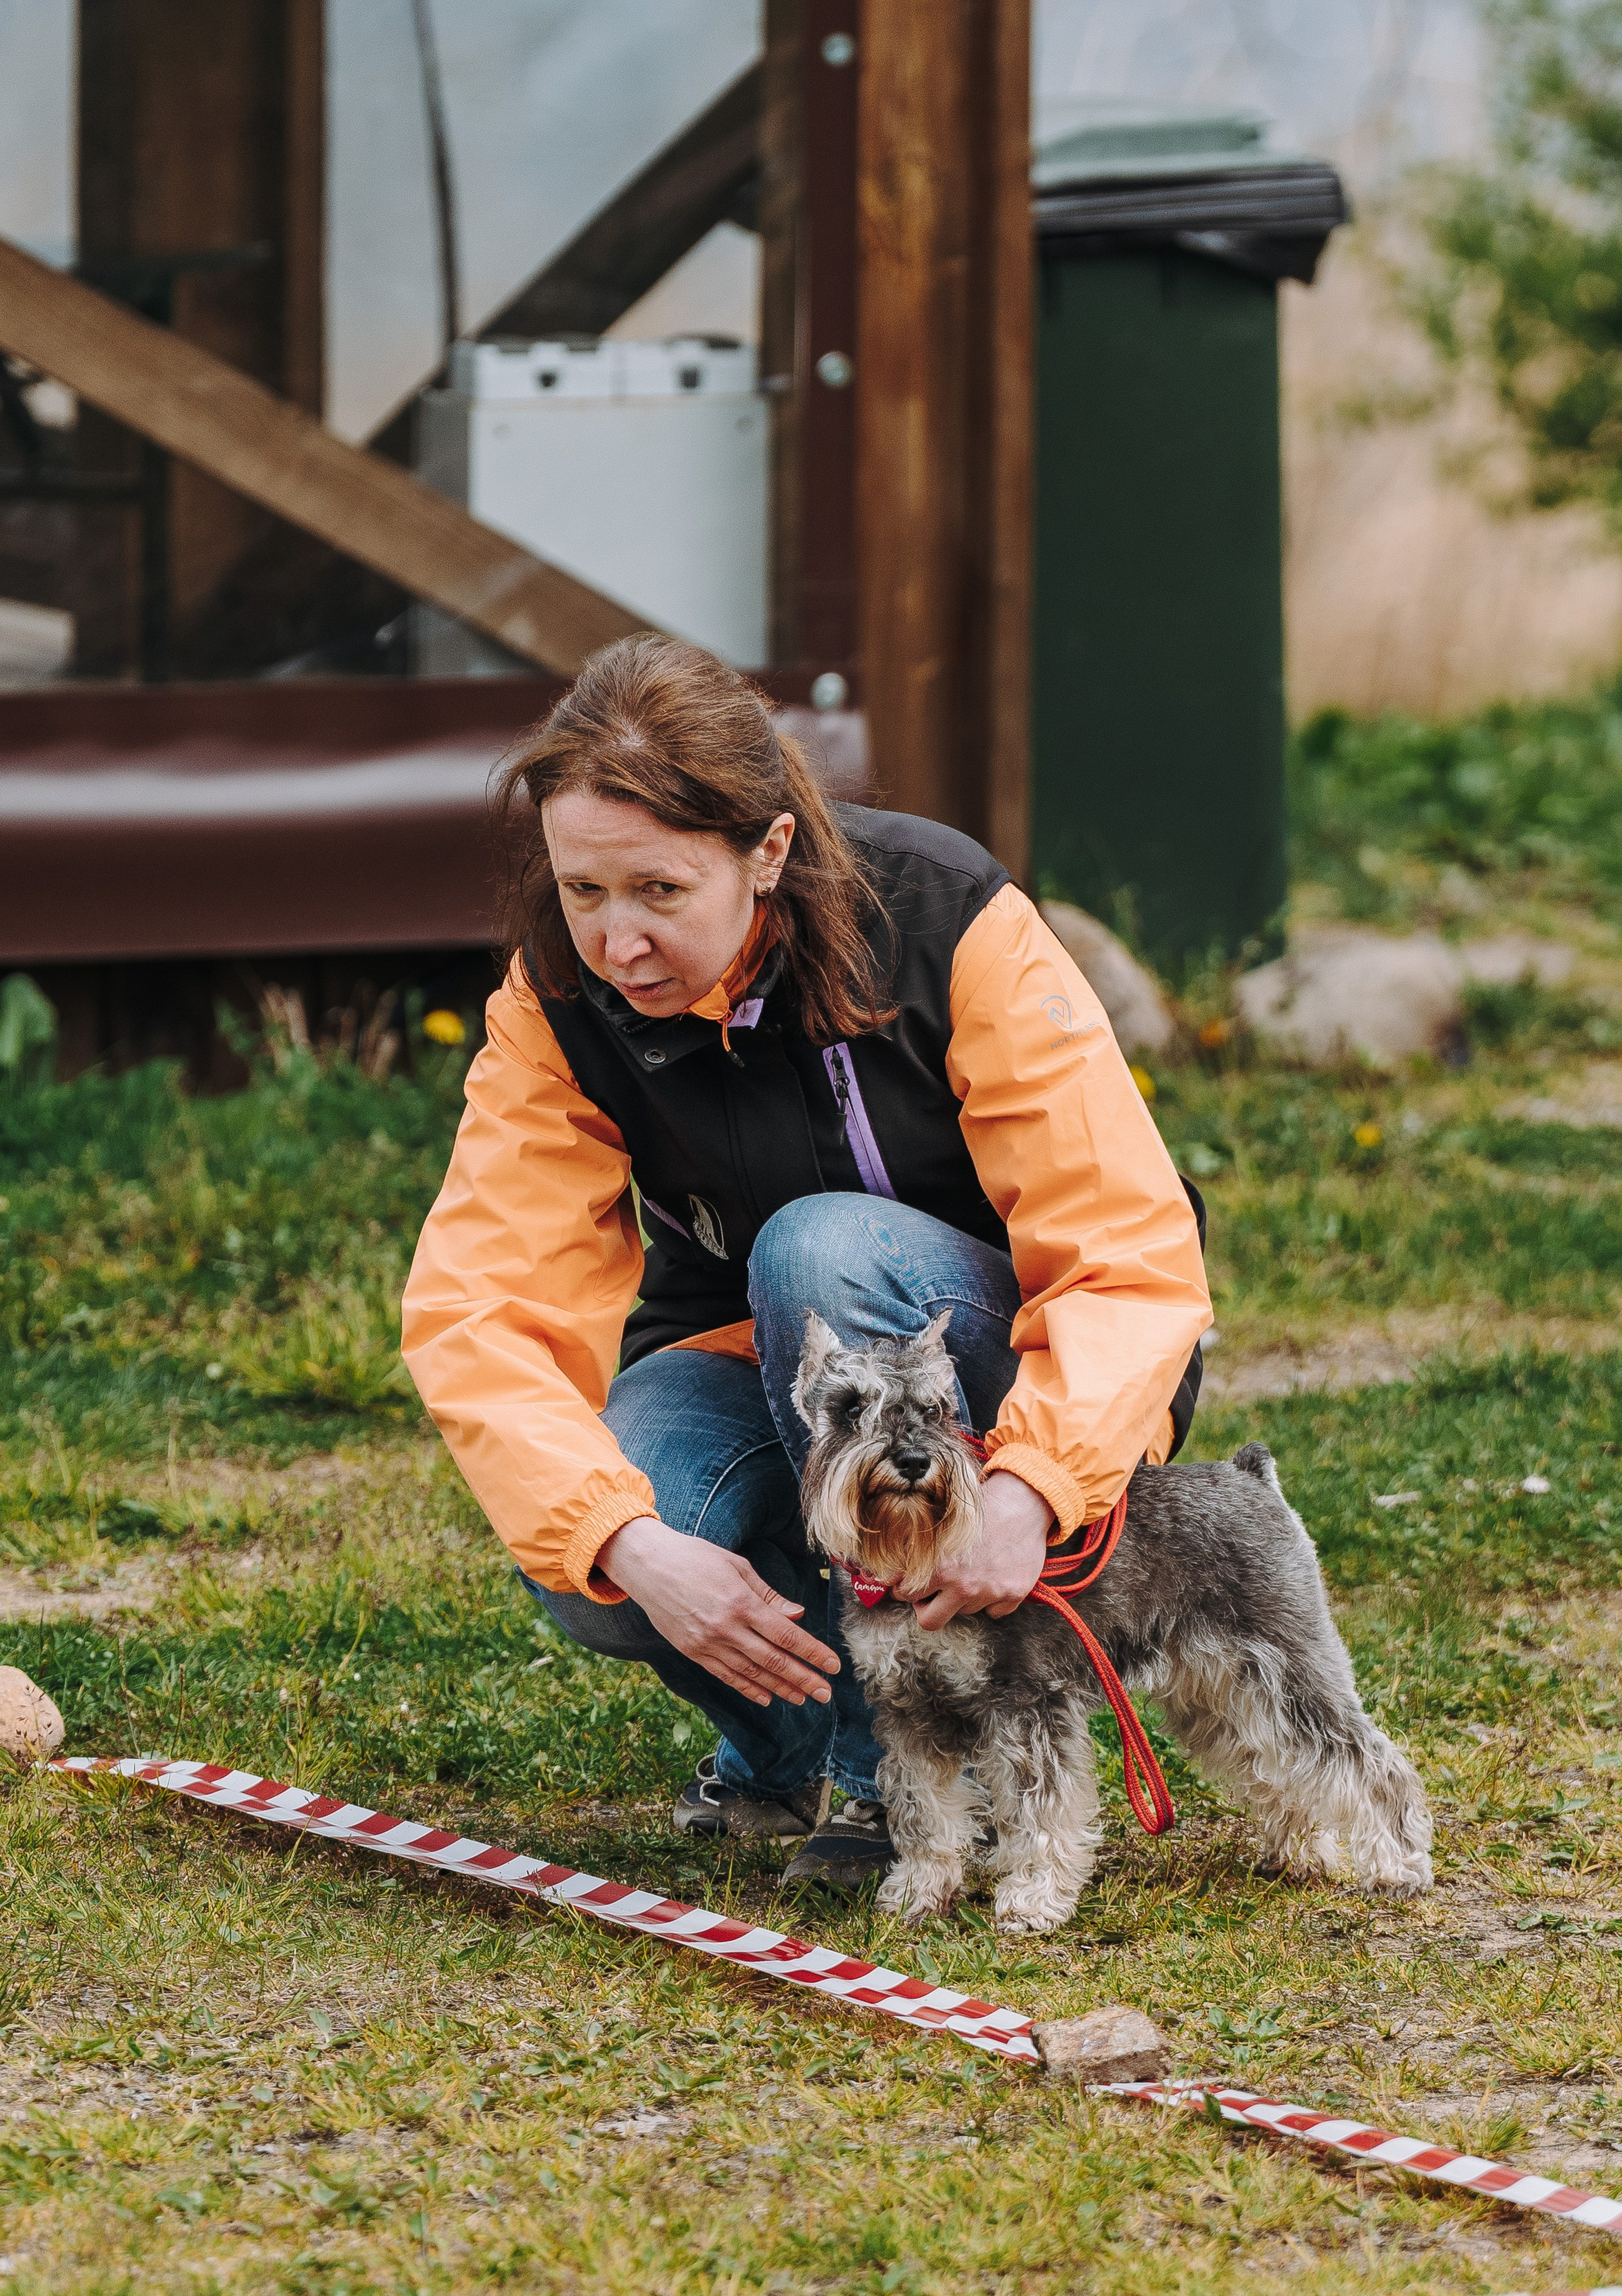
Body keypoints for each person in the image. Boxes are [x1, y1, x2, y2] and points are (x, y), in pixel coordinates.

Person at [402, 637, 1212, 1888]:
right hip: (764, 1366)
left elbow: (1126, 1249)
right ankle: (815, 1749)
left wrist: (1034, 1485)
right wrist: (625, 1543)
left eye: (659, 893)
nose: (615, 941)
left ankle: (891, 1782)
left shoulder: (949, 916)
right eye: (582, 892)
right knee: (589, 1544)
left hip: (994, 1366)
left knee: (816, 1249)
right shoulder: (554, 997)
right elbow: (480, 1312)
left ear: (768, 851)